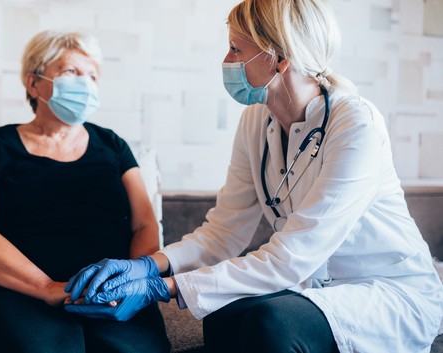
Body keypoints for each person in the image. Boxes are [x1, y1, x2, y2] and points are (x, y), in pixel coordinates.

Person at [63, 1, 443, 352]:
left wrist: (164, 287)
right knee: (222, 316)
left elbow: (292, 259)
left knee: (271, 323)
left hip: (387, 293)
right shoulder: (256, 121)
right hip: (313, 289)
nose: (226, 60)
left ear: (278, 57)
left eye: (236, 49)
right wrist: (151, 264)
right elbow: (224, 232)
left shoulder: (355, 124)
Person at [0, 30, 170, 353]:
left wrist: (128, 284)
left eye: (92, 76)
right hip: (19, 292)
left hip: (108, 292)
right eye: (71, 72)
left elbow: (144, 224)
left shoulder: (113, 145)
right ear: (33, 83)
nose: (85, 83)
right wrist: (46, 287)